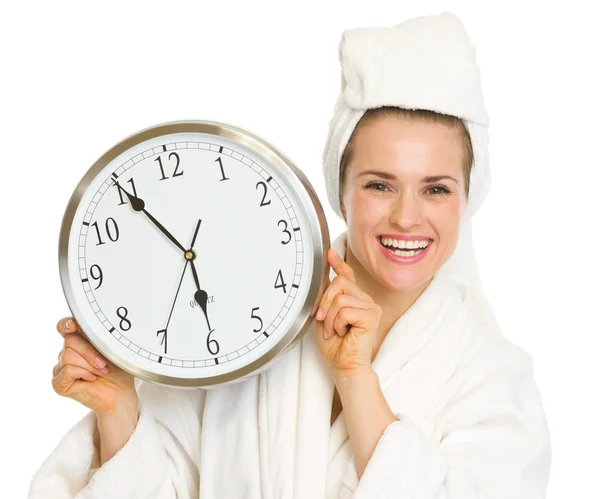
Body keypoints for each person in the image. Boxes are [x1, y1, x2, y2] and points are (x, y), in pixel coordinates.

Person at [29, 11, 551, 499]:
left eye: (436, 189)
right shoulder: (242, 327)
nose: (407, 218)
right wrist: (119, 410)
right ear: (339, 190)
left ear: (468, 197)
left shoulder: (495, 380)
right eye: (379, 185)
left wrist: (357, 379)